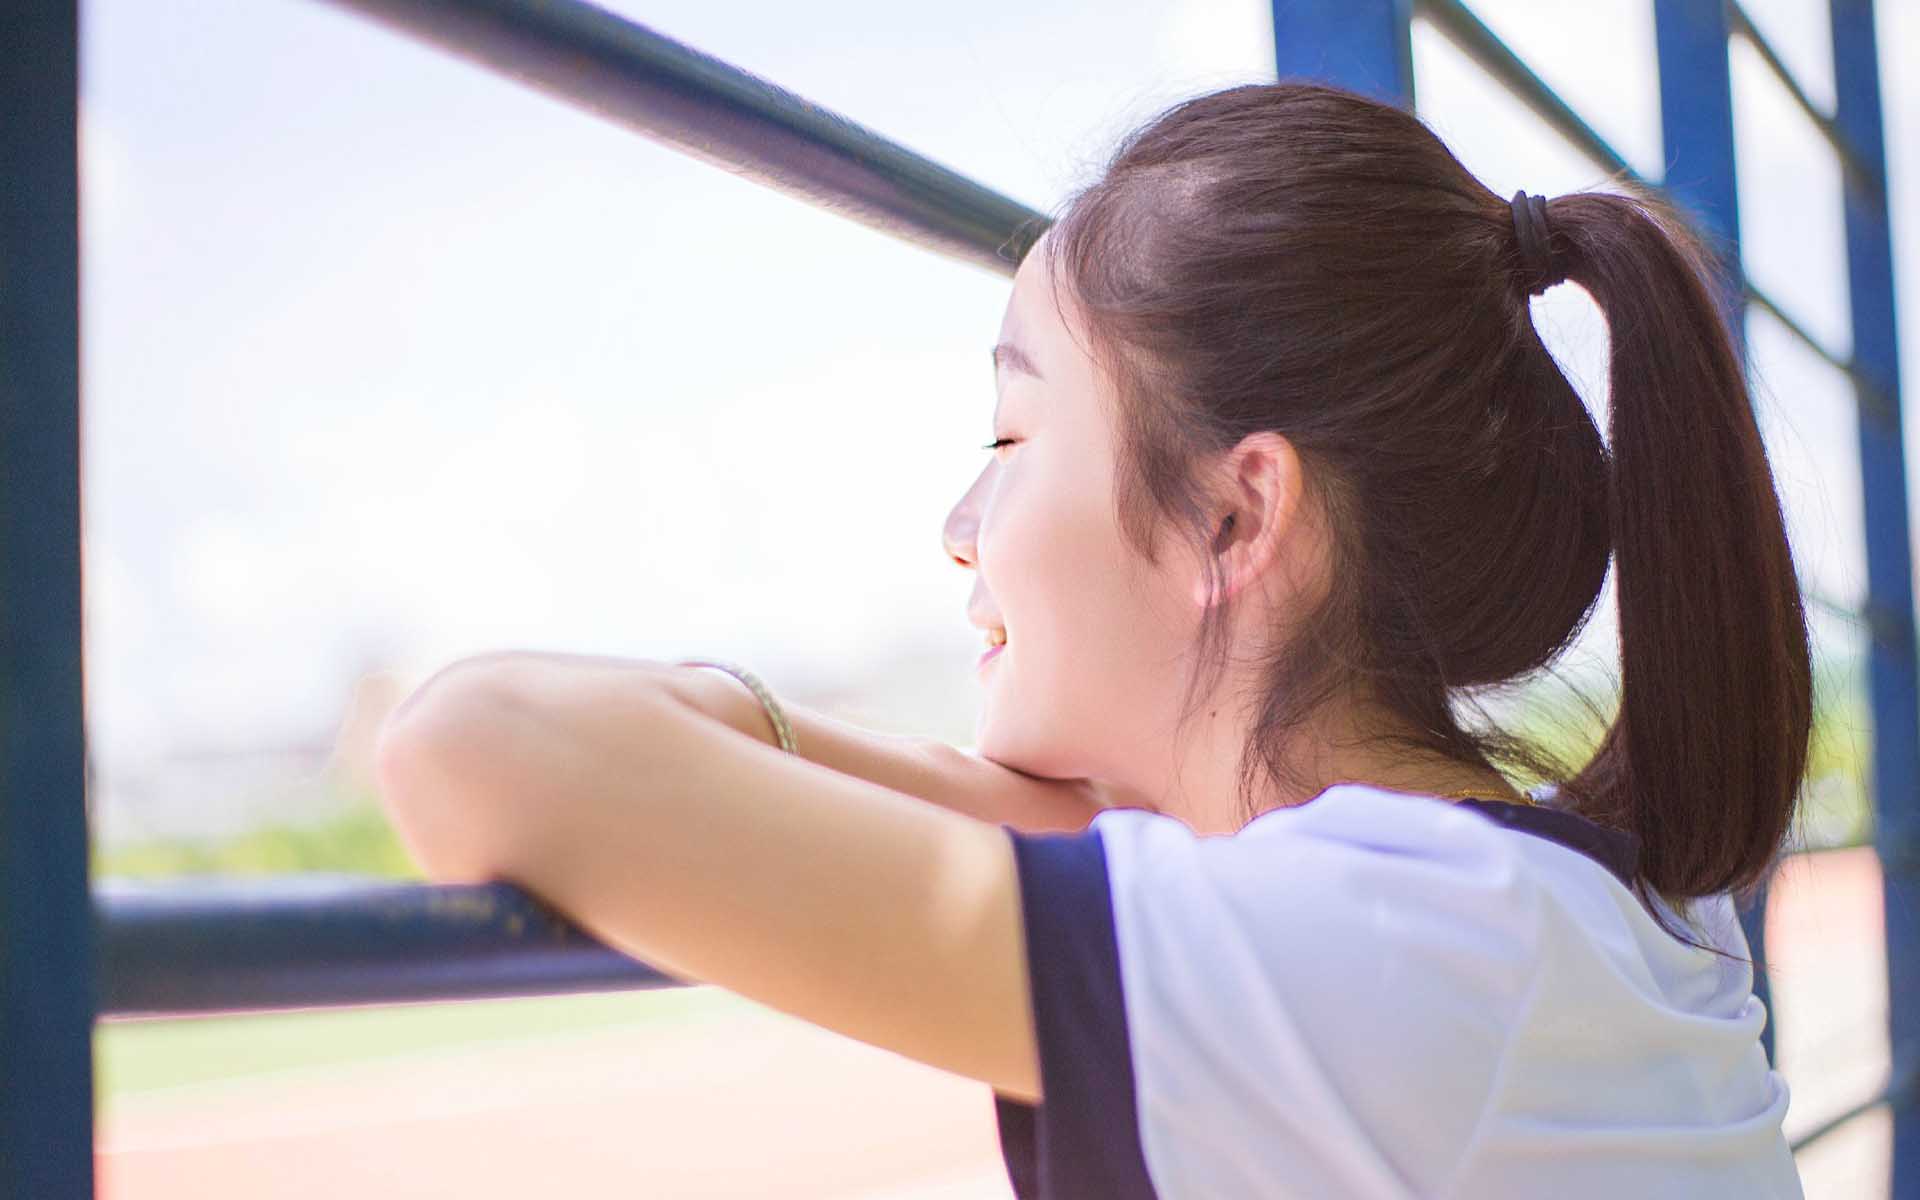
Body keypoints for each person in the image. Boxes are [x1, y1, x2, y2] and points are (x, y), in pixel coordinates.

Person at [375, 80, 1811, 1198]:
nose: (960, 518)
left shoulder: (1379, 953)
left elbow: (474, 751)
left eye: (1013, 432)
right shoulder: (1562, 908)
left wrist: (749, 725)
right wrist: (1054, 806)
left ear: (1240, 519)